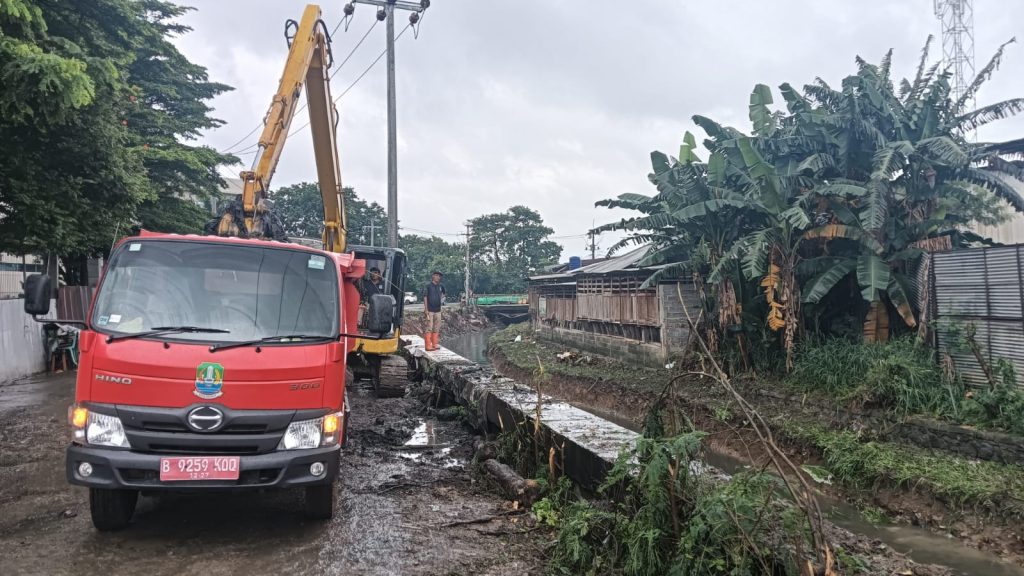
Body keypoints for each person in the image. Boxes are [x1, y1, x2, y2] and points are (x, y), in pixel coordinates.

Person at [423, 271, 445, 351]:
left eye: (439, 276)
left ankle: (435, 344)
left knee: (436, 327)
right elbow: (425, 297)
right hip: (430, 310)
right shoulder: (428, 286)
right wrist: (426, 309)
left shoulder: (441, 286)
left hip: (438, 310)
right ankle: (428, 345)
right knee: (429, 327)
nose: (438, 277)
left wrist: (440, 300)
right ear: (433, 276)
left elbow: (443, 294)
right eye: (437, 276)